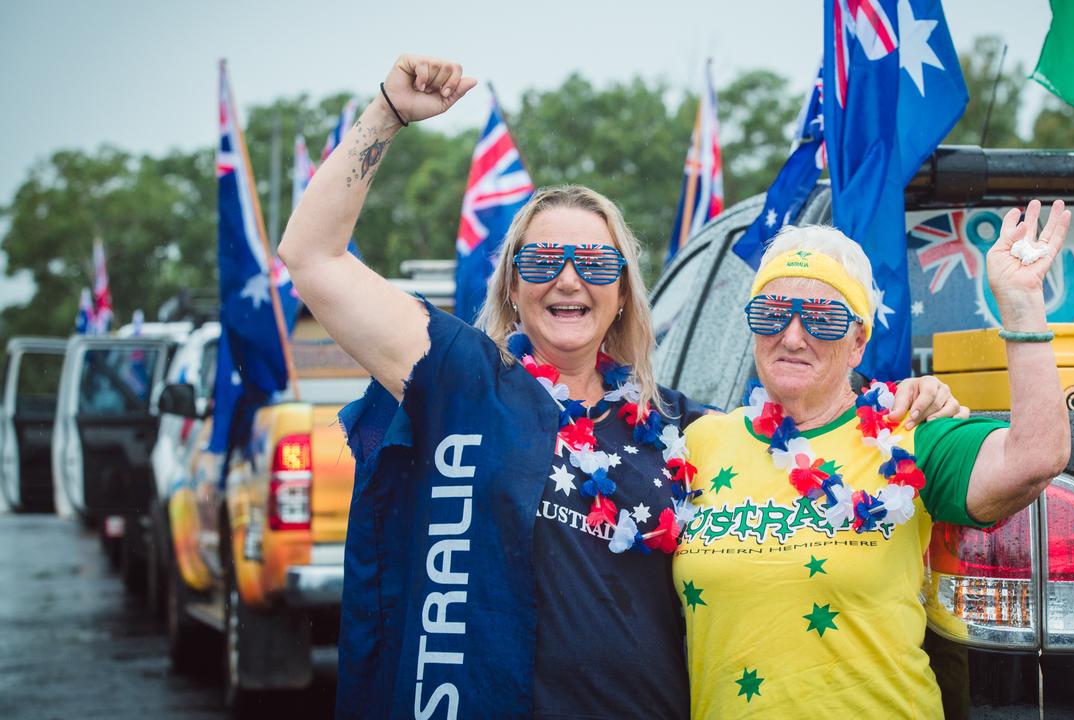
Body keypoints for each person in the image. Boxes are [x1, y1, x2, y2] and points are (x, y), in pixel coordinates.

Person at [280, 53, 967, 719]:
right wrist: (388, 113)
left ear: (624, 297)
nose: (570, 278)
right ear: (514, 289)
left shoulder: (686, 432)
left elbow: (817, 438)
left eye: (597, 261)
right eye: (544, 258)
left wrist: (911, 405)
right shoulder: (464, 384)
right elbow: (312, 259)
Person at [673, 207, 1074, 718]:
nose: (793, 336)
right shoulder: (701, 443)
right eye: (772, 312)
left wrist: (1021, 308)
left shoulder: (909, 433)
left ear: (858, 341)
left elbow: (1038, 456)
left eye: (822, 318)